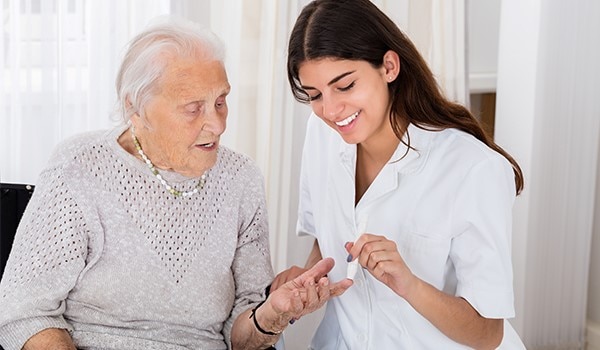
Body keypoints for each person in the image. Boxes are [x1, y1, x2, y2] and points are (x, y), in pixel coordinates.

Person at [0, 17, 351, 350]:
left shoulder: (241, 180)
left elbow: (242, 337)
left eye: (220, 101)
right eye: (192, 108)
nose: (216, 124)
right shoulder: (79, 167)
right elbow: (25, 311)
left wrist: (273, 315)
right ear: (136, 108)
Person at [271, 0, 527, 349]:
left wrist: (411, 285)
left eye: (345, 86)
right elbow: (327, 231)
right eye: (315, 95)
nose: (330, 110)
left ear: (389, 67)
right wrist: (310, 275)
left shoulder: (471, 168)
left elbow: (487, 333)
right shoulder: (321, 134)